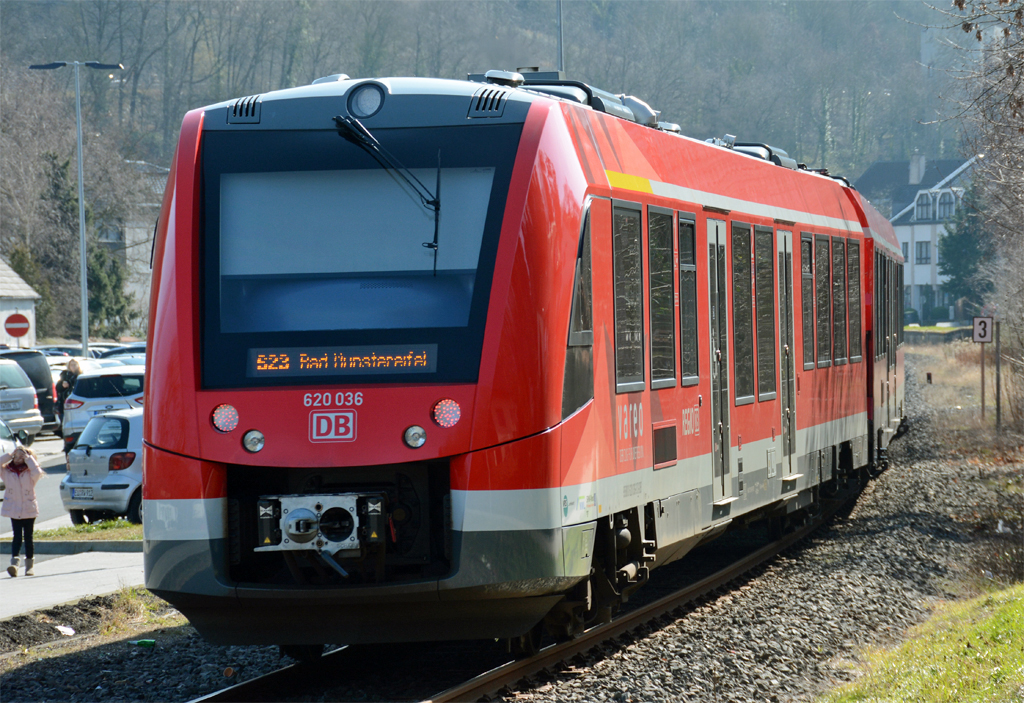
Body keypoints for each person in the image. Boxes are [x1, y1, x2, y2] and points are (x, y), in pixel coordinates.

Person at [1, 446, 43, 576]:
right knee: (17, 536)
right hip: (14, 508)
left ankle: (29, 566)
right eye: (16, 456)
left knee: (28, 537)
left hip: (28, 508)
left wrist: (29, 459)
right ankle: (14, 564)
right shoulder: (7, 471)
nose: (18, 459)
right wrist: (9, 455)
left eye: (21, 456)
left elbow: (37, 472)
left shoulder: (30, 472)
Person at [57, 358, 81, 424]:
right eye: (71, 365)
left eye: (74, 365)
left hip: (77, 402)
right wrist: (62, 385)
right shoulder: (65, 375)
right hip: (64, 403)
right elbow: (58, 388)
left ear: (78, 366)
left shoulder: (80, 376)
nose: (73, 367)